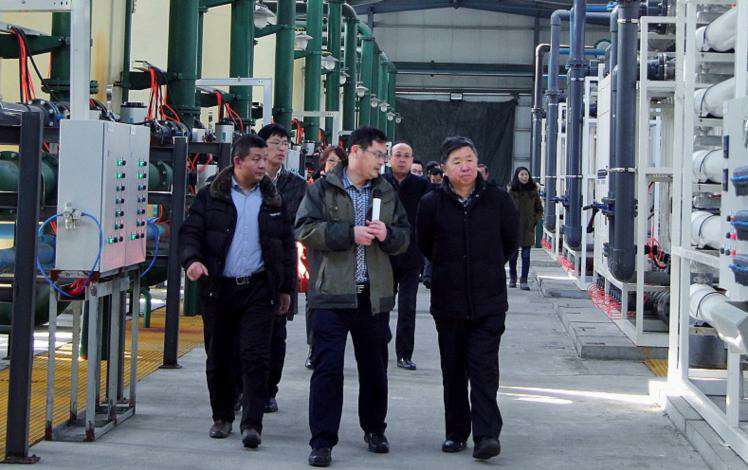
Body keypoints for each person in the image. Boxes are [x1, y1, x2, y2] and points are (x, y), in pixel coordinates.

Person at [296, 126, 410, 467]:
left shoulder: (386, 191)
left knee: (374, 369)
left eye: (384, 155)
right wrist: (348, 234)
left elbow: (404, 237)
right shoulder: (323, 189)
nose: (382, 161)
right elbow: (303, 229)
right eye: (377, 154)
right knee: (327, 369)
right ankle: (322, 441)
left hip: (372, 296)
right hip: (331, 295)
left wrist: (388, 235)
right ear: (356, 152)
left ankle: (374, 429)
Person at [179, 134, 295, 449]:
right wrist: (192, 261)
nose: (262, 165)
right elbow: (191, 232)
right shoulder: (211, 196)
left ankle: (252, 424)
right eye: (256, 159)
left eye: (264, 158)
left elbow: (285, 245)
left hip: (258, 289)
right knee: (219, 357)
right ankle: (222, 416)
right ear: (238, 161)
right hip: (219, 289)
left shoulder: (272, 199)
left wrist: (286, 289)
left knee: (256, 357)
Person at [416, 136, 519, 461]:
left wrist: (486, 265)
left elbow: (510, 241)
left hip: (489, 301)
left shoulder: (498, 199)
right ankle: (456, 432)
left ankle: (486, 435)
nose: (465, 166)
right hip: (448, 301)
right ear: (444, 168)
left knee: (484, 369)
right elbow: (424, 243)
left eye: (470, 159)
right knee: (454, 369)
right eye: (457, 161)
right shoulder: (431, 203)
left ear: (478, 164)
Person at [258, 123, 307, 412]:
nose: (282, 148)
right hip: (250, 267)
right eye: (276, 142)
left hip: (280, 268)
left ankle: (269, 390)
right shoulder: (246, 180)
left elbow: (300, 226)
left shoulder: (296, 185)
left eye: (285, 143)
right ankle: (241, 389)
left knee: (276, 335)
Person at [384, 142, 430, 371]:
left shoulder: (422, 186)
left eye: (407, 156)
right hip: (383, 253)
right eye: (398, 155)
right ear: (389, 158)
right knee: (382, 304)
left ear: (412, 160)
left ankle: (404, 354)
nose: (402, 160)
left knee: (407, 306)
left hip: (411, 255)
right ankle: (379, 346)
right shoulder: (379, 183)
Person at [305, 145, 347, 369]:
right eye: (331, 161)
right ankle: (313, 347)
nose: (335, 166)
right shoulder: (314, 189)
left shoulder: (348, 191)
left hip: (342, 256)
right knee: (314, 300)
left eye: (339, 162)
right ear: (323, 164)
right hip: (317, 254)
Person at [507, 166, 543, 290]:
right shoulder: (511, 192)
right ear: (517, 176)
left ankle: (524, 280)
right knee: (513, 255)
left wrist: (534, 221)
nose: (524, 177)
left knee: (526, 256)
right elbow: (505, 208)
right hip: (514, 228)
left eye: (526, 174)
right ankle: (513, 278)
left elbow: (539, 209)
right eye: (522, 174)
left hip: (528, 228)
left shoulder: (533, 192)